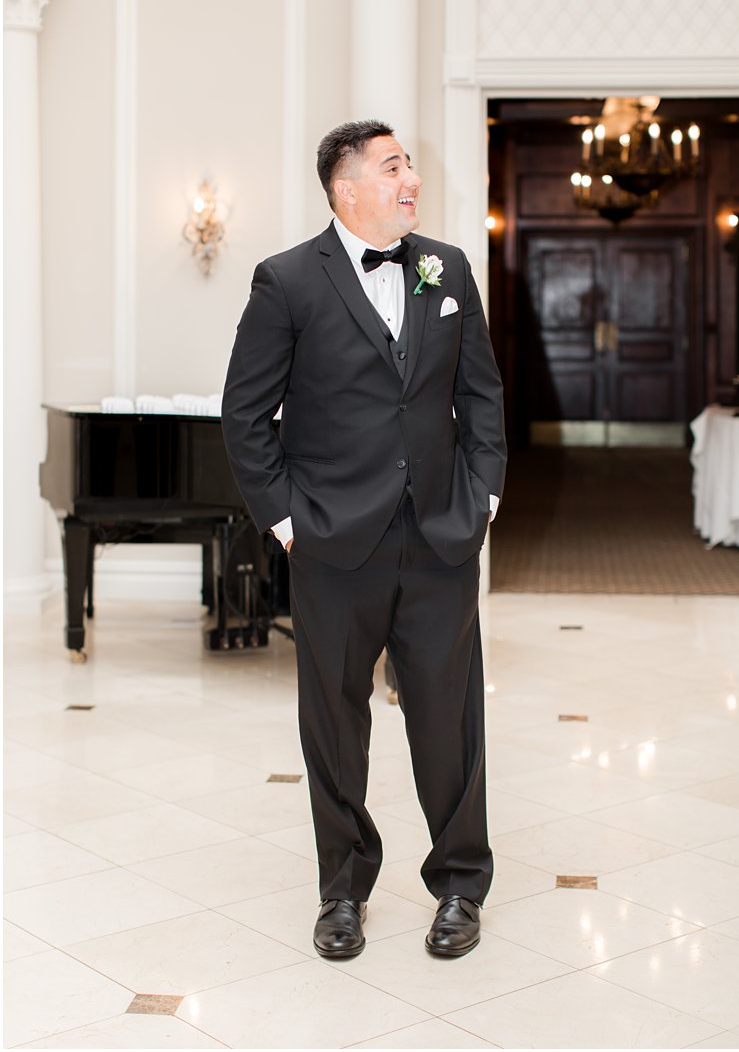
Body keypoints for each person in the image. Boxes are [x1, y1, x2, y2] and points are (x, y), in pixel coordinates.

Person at [223, 120, 507, 960]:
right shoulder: (284, 282)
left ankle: (461, 882)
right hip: (333, 543)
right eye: (393, 167)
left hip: (440, 537)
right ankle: (341, 891)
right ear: (346, 188)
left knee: (449, 721)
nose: (411, 177)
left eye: (409, 164)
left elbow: (481, 393)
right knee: (335, 725)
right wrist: (285, 521)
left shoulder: (446, 268)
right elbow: (244, 416)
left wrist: (483, 494)